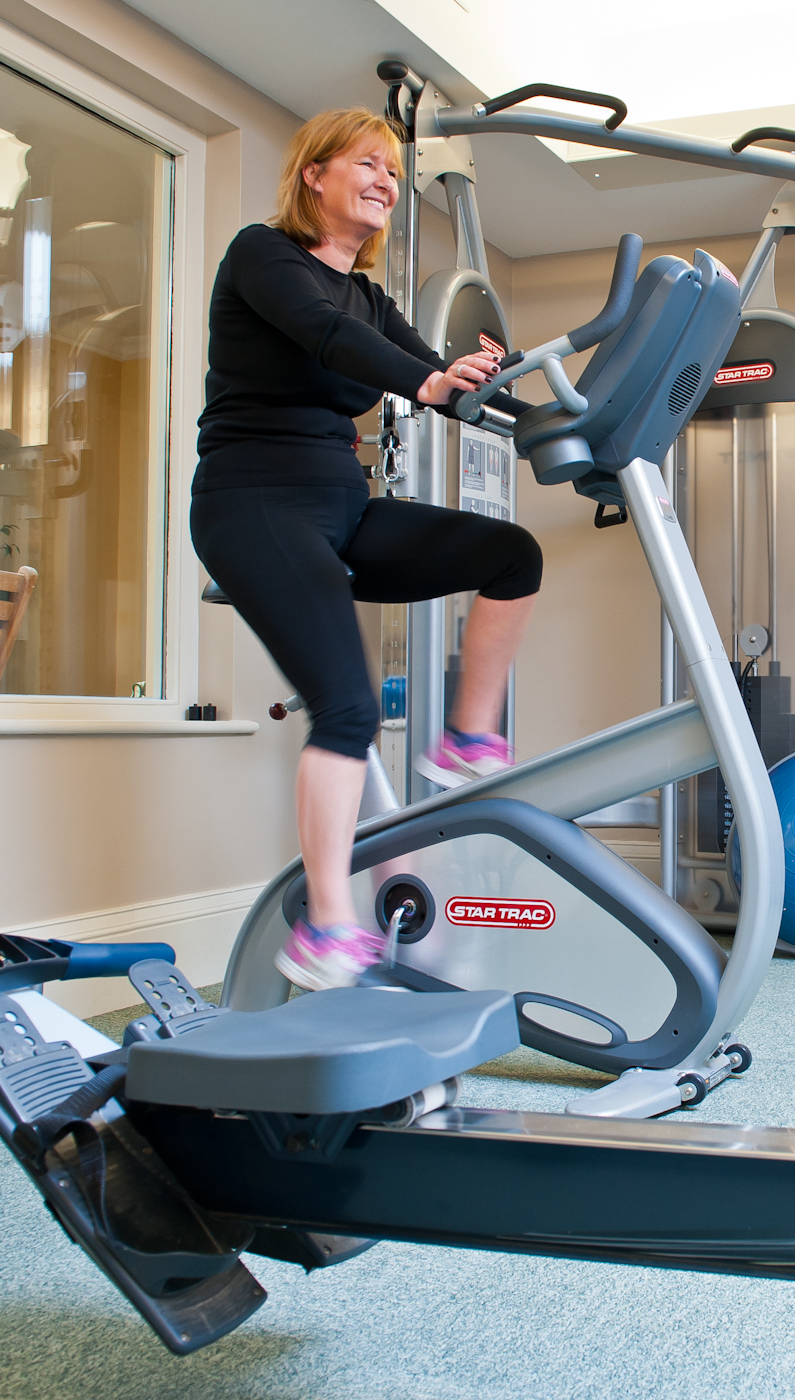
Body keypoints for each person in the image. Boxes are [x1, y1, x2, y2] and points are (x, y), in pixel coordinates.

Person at [191, 107, 541, 992]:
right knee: (345, 709)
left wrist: (563, 427)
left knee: (512, 555)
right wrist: (424, 379)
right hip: (252, 503)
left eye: (395, 172)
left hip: (341, 506)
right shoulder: (262, 256)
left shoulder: (371, 299)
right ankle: (326, 926)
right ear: (315, 173)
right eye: (371, 164)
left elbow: (455, 388)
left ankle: (466, 738)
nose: (388, 181)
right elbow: (325, 335)